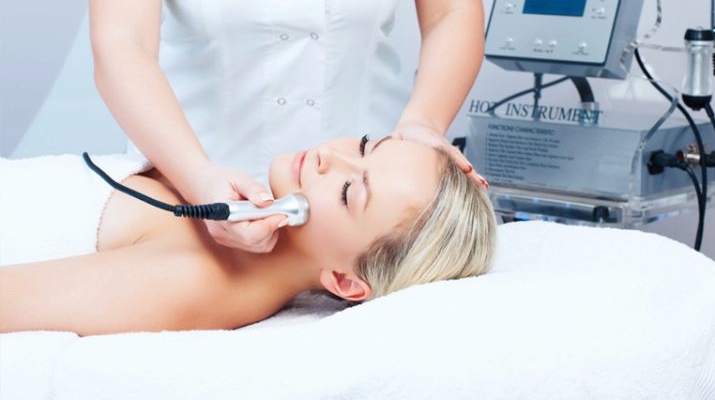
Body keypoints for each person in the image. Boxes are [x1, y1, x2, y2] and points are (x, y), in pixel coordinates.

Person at [64, 0, 496, 252]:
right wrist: (199, 181)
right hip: (188, 196)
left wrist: (424, 122)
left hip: (365, 229)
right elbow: (122, 44)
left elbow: (452, 10)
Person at [0, 135, 496, 336]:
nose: (330, 157)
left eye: (350, 191)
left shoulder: (203, 281)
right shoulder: (220, 203)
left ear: (346, 282)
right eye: (366, 144)